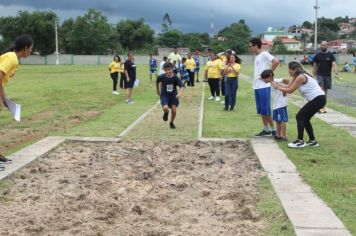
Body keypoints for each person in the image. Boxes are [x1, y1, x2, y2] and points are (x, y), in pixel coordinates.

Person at [271, 61, 326, 148]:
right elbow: (288, 87)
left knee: (299, 116)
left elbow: (290, 91)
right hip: (319, 99)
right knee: (305, 118)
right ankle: (312, 141)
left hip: (318, 98)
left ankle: (300, 141)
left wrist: (278, 87)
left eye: (289, 70)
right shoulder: (297, 76)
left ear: (295, 69)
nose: (288, 72)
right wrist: (277, 85)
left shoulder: (301, 77)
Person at [0, 35, 33, 169]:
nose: (31, 51)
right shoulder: (12, 58)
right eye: (31, 48)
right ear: (25, 48)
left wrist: (5, 98)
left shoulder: (13, 59)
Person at [249, 37, 279, 136]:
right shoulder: (257, 57)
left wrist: (269, 74)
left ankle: (274, 129)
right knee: (261, 110)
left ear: (256, 46)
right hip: (257, 87)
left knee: (266, 110)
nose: (250, 48)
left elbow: (276, 61)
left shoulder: (264, 54)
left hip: (264, 87)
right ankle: (266, 129)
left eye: (250, 46)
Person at [261, 69, 288, 141]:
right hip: (276, 105)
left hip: (280, 104)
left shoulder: (276, 81)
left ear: (269, 76)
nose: (263, 80)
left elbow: (287, 81)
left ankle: (284, 136)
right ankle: (278, 135)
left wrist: (281, 87)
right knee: (277, 120)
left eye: (264, 78)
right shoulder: (272, 82)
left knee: (282, 120)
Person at [156, 62, 185, 129]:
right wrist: (158, 91)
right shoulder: (161, 77)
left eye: (169, 69)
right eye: (166, 70)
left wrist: (179, 94)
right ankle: (166, 113)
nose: (168, 71)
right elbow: (157, 82)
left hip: (173, 96)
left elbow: (182, 86)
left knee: (174, 111)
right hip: (164, 95)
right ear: (164, 70)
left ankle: (171, 122)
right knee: (165, 108)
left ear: (172, 69)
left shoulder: (175, 78)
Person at [313, 41, 338, 113]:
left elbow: (334, 64)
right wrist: (313, 75)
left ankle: (322, 107)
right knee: (320, 90)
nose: (323, 46)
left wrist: (336, 73)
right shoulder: (317, 55)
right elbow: (314, 66)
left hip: (327, 76)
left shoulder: (331, 55)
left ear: (327, 46)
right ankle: (318, 107)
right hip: (319, 75)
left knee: (325, 92)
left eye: (324, 45)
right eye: (321, 45)